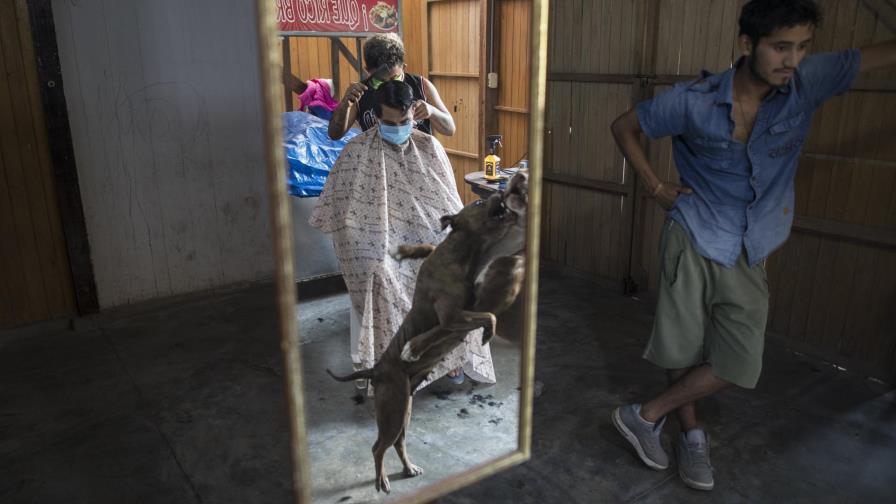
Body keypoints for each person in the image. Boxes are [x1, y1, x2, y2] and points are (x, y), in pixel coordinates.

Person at [609, 0, 895, 492]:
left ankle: (645, 414)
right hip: (693, 232)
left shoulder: (809, 81)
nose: (794, 59)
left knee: (739, 361)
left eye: (803, 47)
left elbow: (881, 52)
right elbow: (624, 127)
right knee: (683, 345)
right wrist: (657, 188)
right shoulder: (693, 100)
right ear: (747, 45)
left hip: (750, 244)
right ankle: (691, 436)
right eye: (781, 47)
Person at [310, 80, 495, 393]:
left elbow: (447, 204)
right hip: (381, 239)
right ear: (377, 119)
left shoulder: (429, 146)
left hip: (425, 235)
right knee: (381, 272)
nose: (397, 128)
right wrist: (372, 244)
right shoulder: (358, 150)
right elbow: (343, 211)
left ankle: (447, 357)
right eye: (389, 123)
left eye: (405, 122)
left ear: (415, 114)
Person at [328, 33, 455, 140]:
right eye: (381, 81)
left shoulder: (422, 85)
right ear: (368, 71)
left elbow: (450, 129)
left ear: (403, 67)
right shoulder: (359, 94)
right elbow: (334, 135)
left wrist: (432, 112)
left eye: (395, 78)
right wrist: (345, 104)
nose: (390, 84)